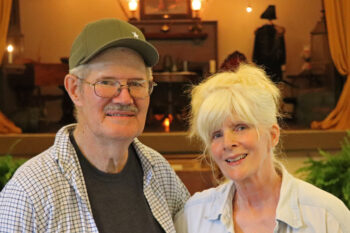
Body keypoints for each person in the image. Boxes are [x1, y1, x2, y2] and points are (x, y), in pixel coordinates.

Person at [0, 18, 189, 232]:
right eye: (106, 82)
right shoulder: (29, 192)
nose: (125, 98)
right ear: (74, 90)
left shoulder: (160, 172)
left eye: (136, 84)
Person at [174, 64, 350, 233]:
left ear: (273, 135)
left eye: (240, 127)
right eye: (217, 134)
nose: (228, 143)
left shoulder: (326, 217)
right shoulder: (193, 217)